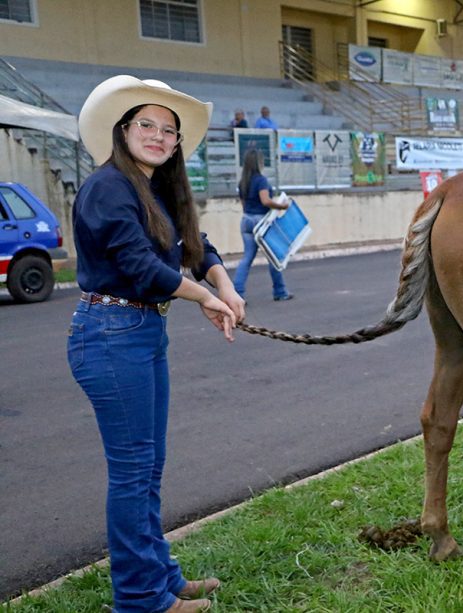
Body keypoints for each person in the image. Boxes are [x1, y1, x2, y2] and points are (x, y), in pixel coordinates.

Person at [69, 75, 245, 613]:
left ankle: (159, 577)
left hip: (140, 331)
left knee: (147, 468)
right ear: (123, 130)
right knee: (132, 472)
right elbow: (140, 265)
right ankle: (141, 598)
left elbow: (196, 245)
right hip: (110, 333)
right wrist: (204, 297)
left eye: (168, 131)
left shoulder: (155, 190)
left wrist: (223, 284)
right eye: (146, 124)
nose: (158, 136)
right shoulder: (108, 187)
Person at [233, 147, 294, 301]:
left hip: (246, 221)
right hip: (261, 222)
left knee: (247, 259)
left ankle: (237, 293)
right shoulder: (261, 180)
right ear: (258, 163)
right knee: (273, 257)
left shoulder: (243, 182)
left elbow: (243, 205)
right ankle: (280, 291)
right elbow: (265, 201)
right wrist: (283, 206)